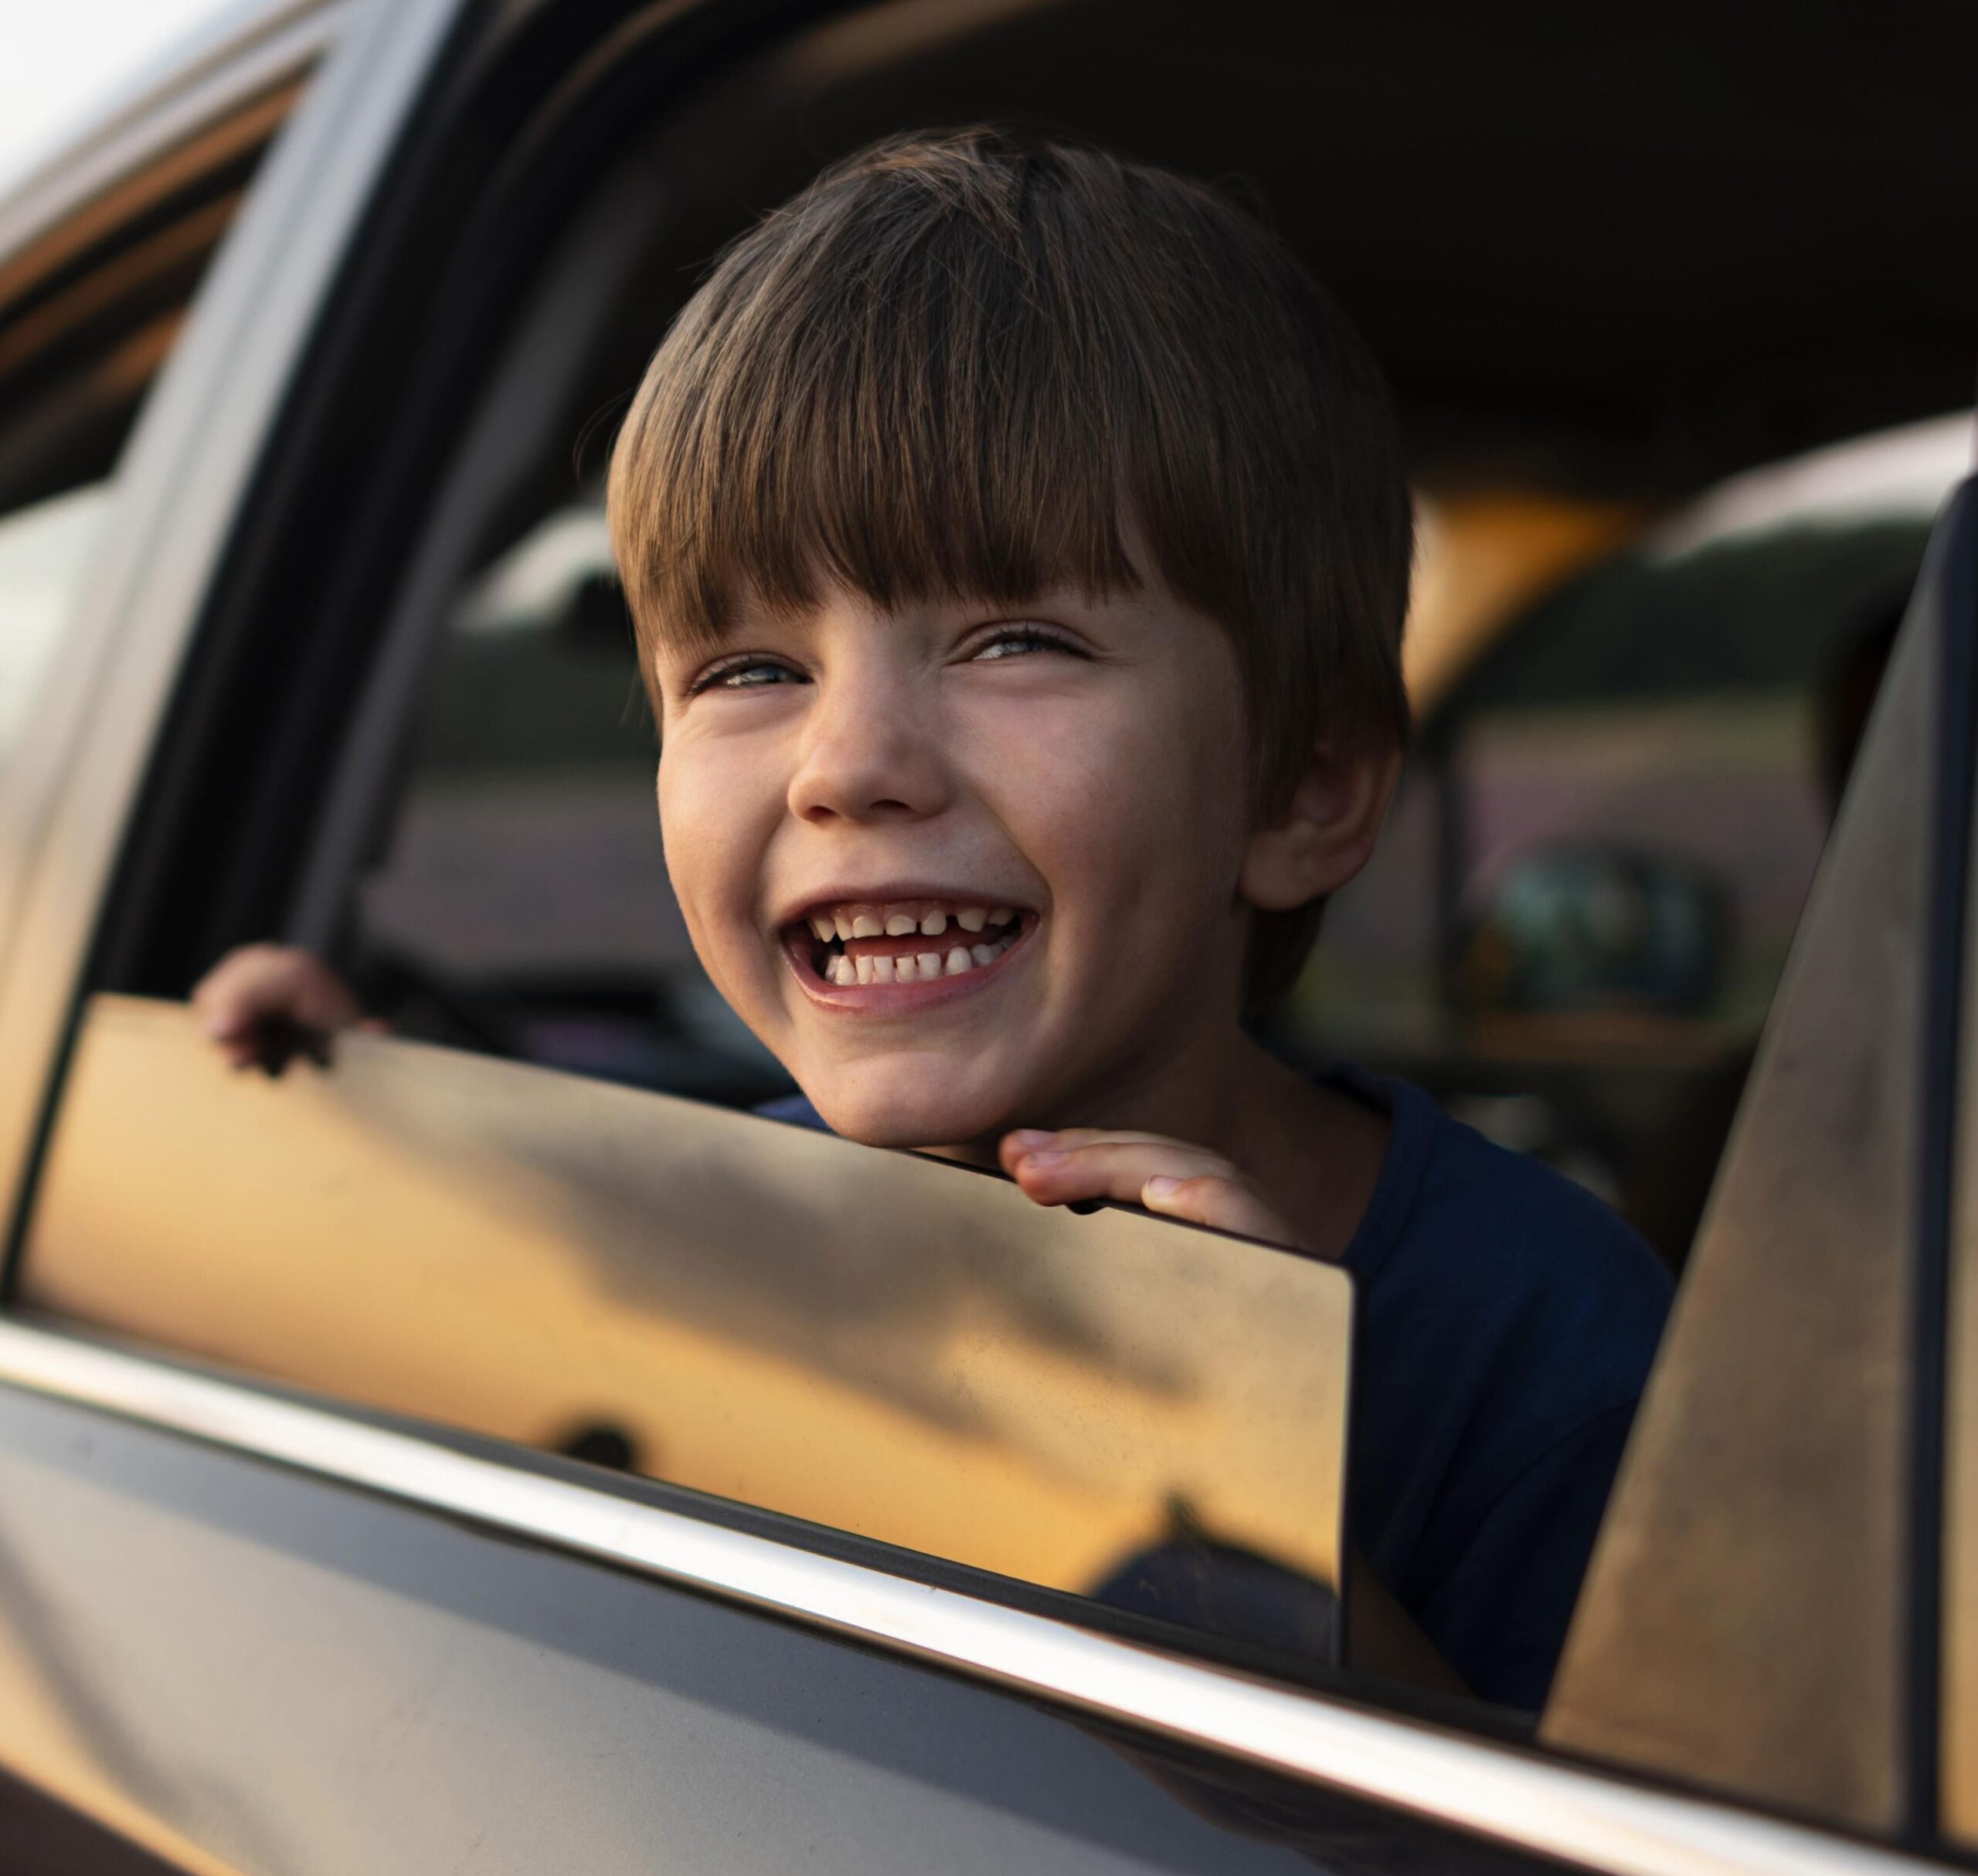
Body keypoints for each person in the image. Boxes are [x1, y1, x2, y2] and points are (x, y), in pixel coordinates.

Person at [193, 128, 1670, 1711]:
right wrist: (352, 1135)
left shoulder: (1549, 1340)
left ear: (1300, 787)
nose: (851, 765)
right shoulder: (705, 1213)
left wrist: (1247, 1519)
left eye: (1014, 638)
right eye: (747, 669)